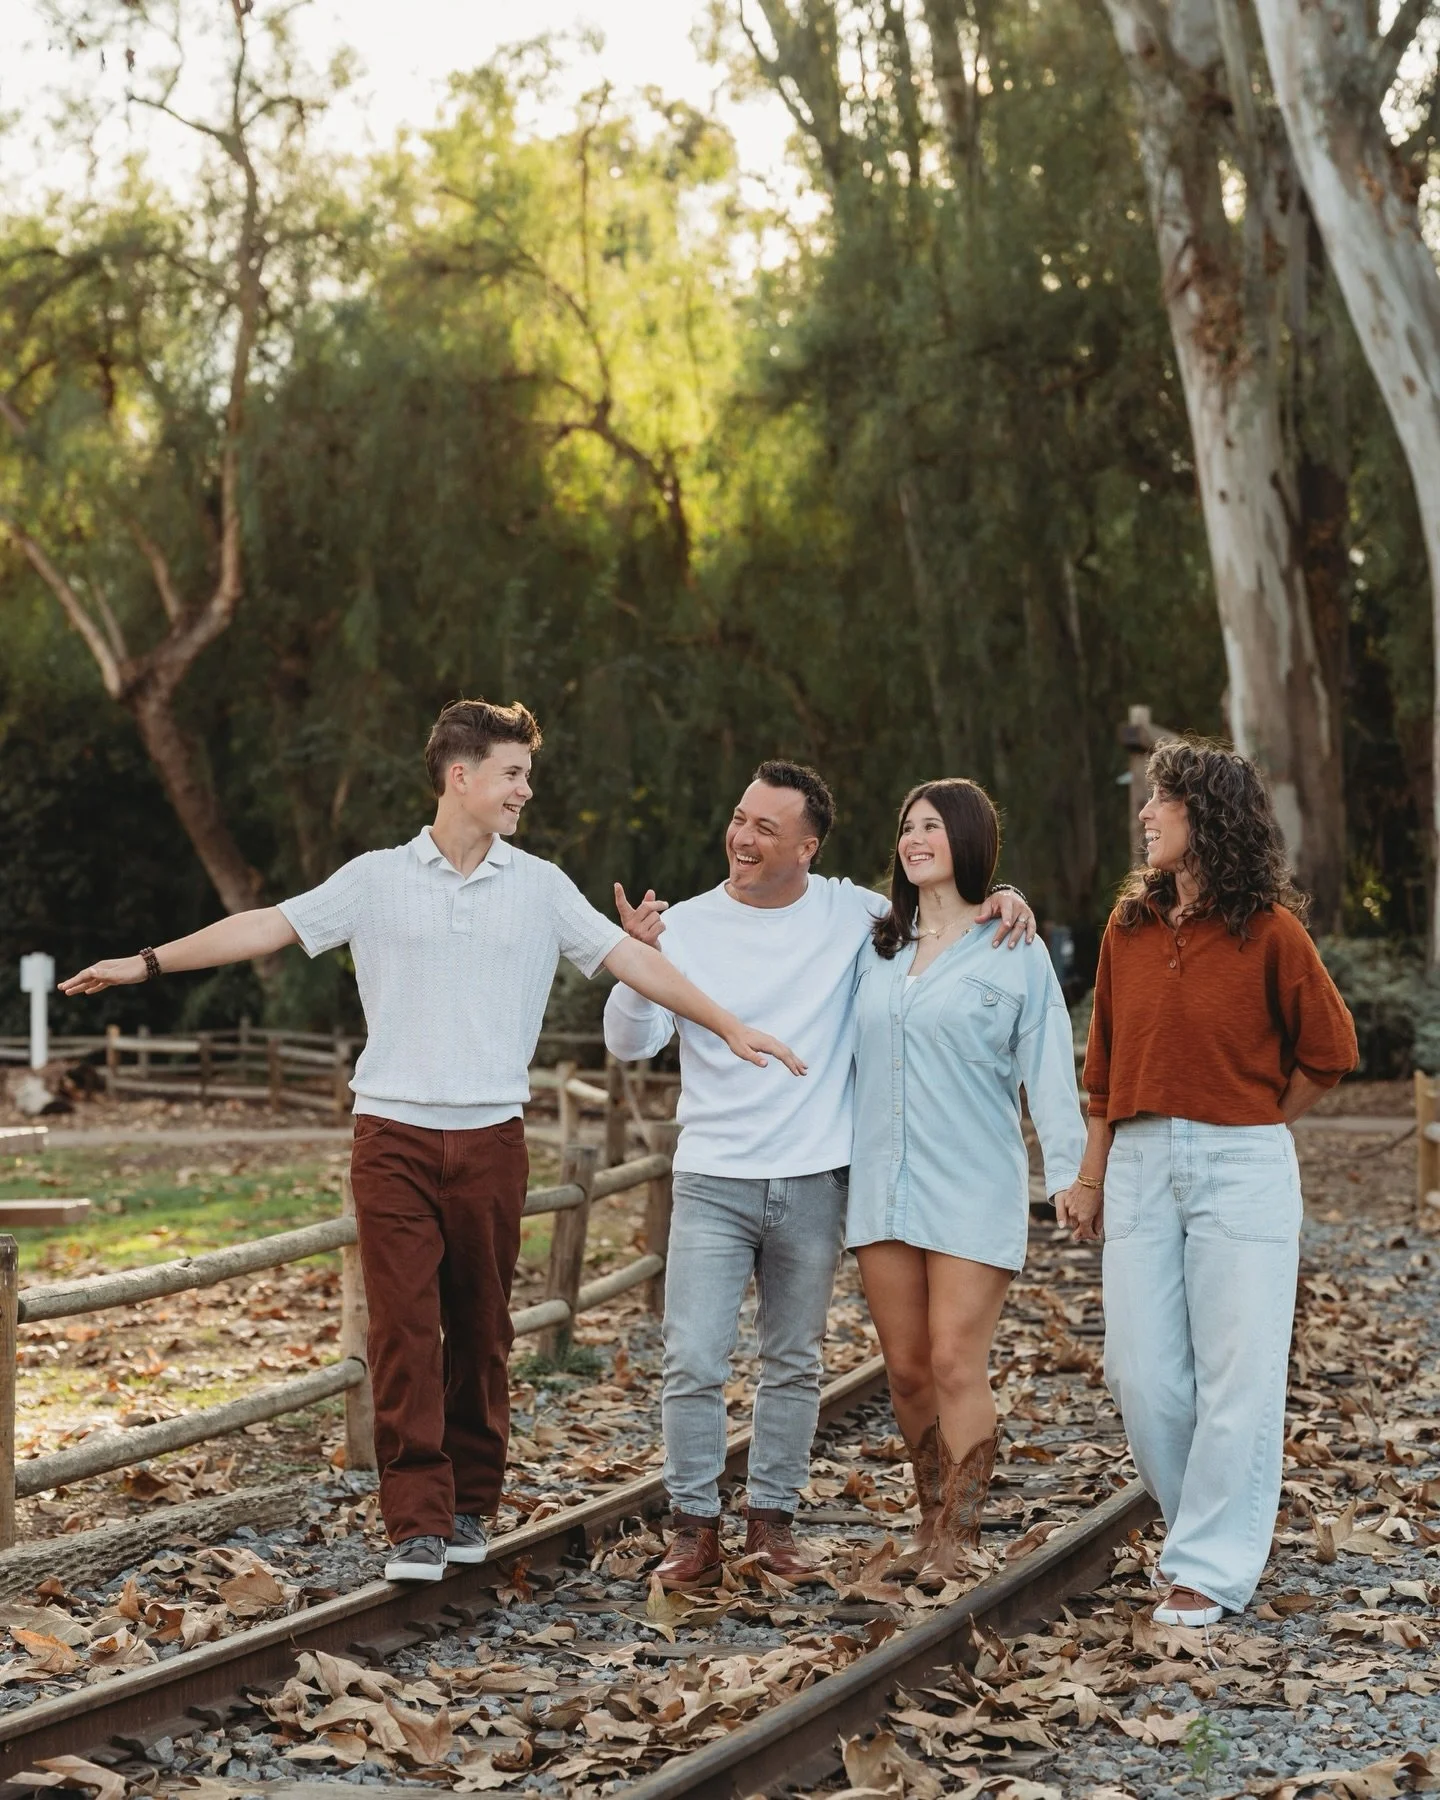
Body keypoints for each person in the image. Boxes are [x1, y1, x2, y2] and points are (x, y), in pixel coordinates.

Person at [60, 699, 805, 1584]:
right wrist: (143, 963)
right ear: (462, 776)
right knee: (405, 1331)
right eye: (513, 773)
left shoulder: (540, 887)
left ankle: (469, 1506)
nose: (526, 789)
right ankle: (414, 1521)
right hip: (392, 1139)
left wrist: (726, 1025)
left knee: (482, 1331)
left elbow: (634, 963)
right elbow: (265, 925)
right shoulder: (375, 879)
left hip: (491, 1139)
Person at [602, 760, 1037, 1589]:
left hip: (813, 1180)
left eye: (767, 827)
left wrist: (1000, 898)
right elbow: (629, 1043)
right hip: (712, 1178)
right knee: (694, 1360)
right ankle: (693, 1528)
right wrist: (633, 957)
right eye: (739, 818)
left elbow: (937, 904)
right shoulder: (686, 926)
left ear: (808, 846)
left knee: (794, 1363)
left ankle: (772, 1523)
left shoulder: (854, 913)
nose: (742, 836)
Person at [1055, 740, 1357, 1627]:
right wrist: (1090, 1174)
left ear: (1208, 816)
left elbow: (1330, 1051)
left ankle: (1209, 1568)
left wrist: (1257, 1119)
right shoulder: (1129, 926)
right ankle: (1204, 1534)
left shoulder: (1270, 930)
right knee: (1139, 1372)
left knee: (1238, 1373)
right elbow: (1103, 1064)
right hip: (1141, 1161)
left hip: (1242, 1163)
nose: (1145, 815)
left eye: (1162, 801)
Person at [848, 780, 1085, 1581]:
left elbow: (1051, 1071)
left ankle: (962, 1533)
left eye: (933, 827)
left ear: (971, 840)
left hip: (975, 1184)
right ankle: (928, 1520)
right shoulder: (872, 946)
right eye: (907, 826)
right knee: (907, 1368)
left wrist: (1071, 1177)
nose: (915, 838)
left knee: (954, 1359)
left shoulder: (1015, 951)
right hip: (883, 1185)